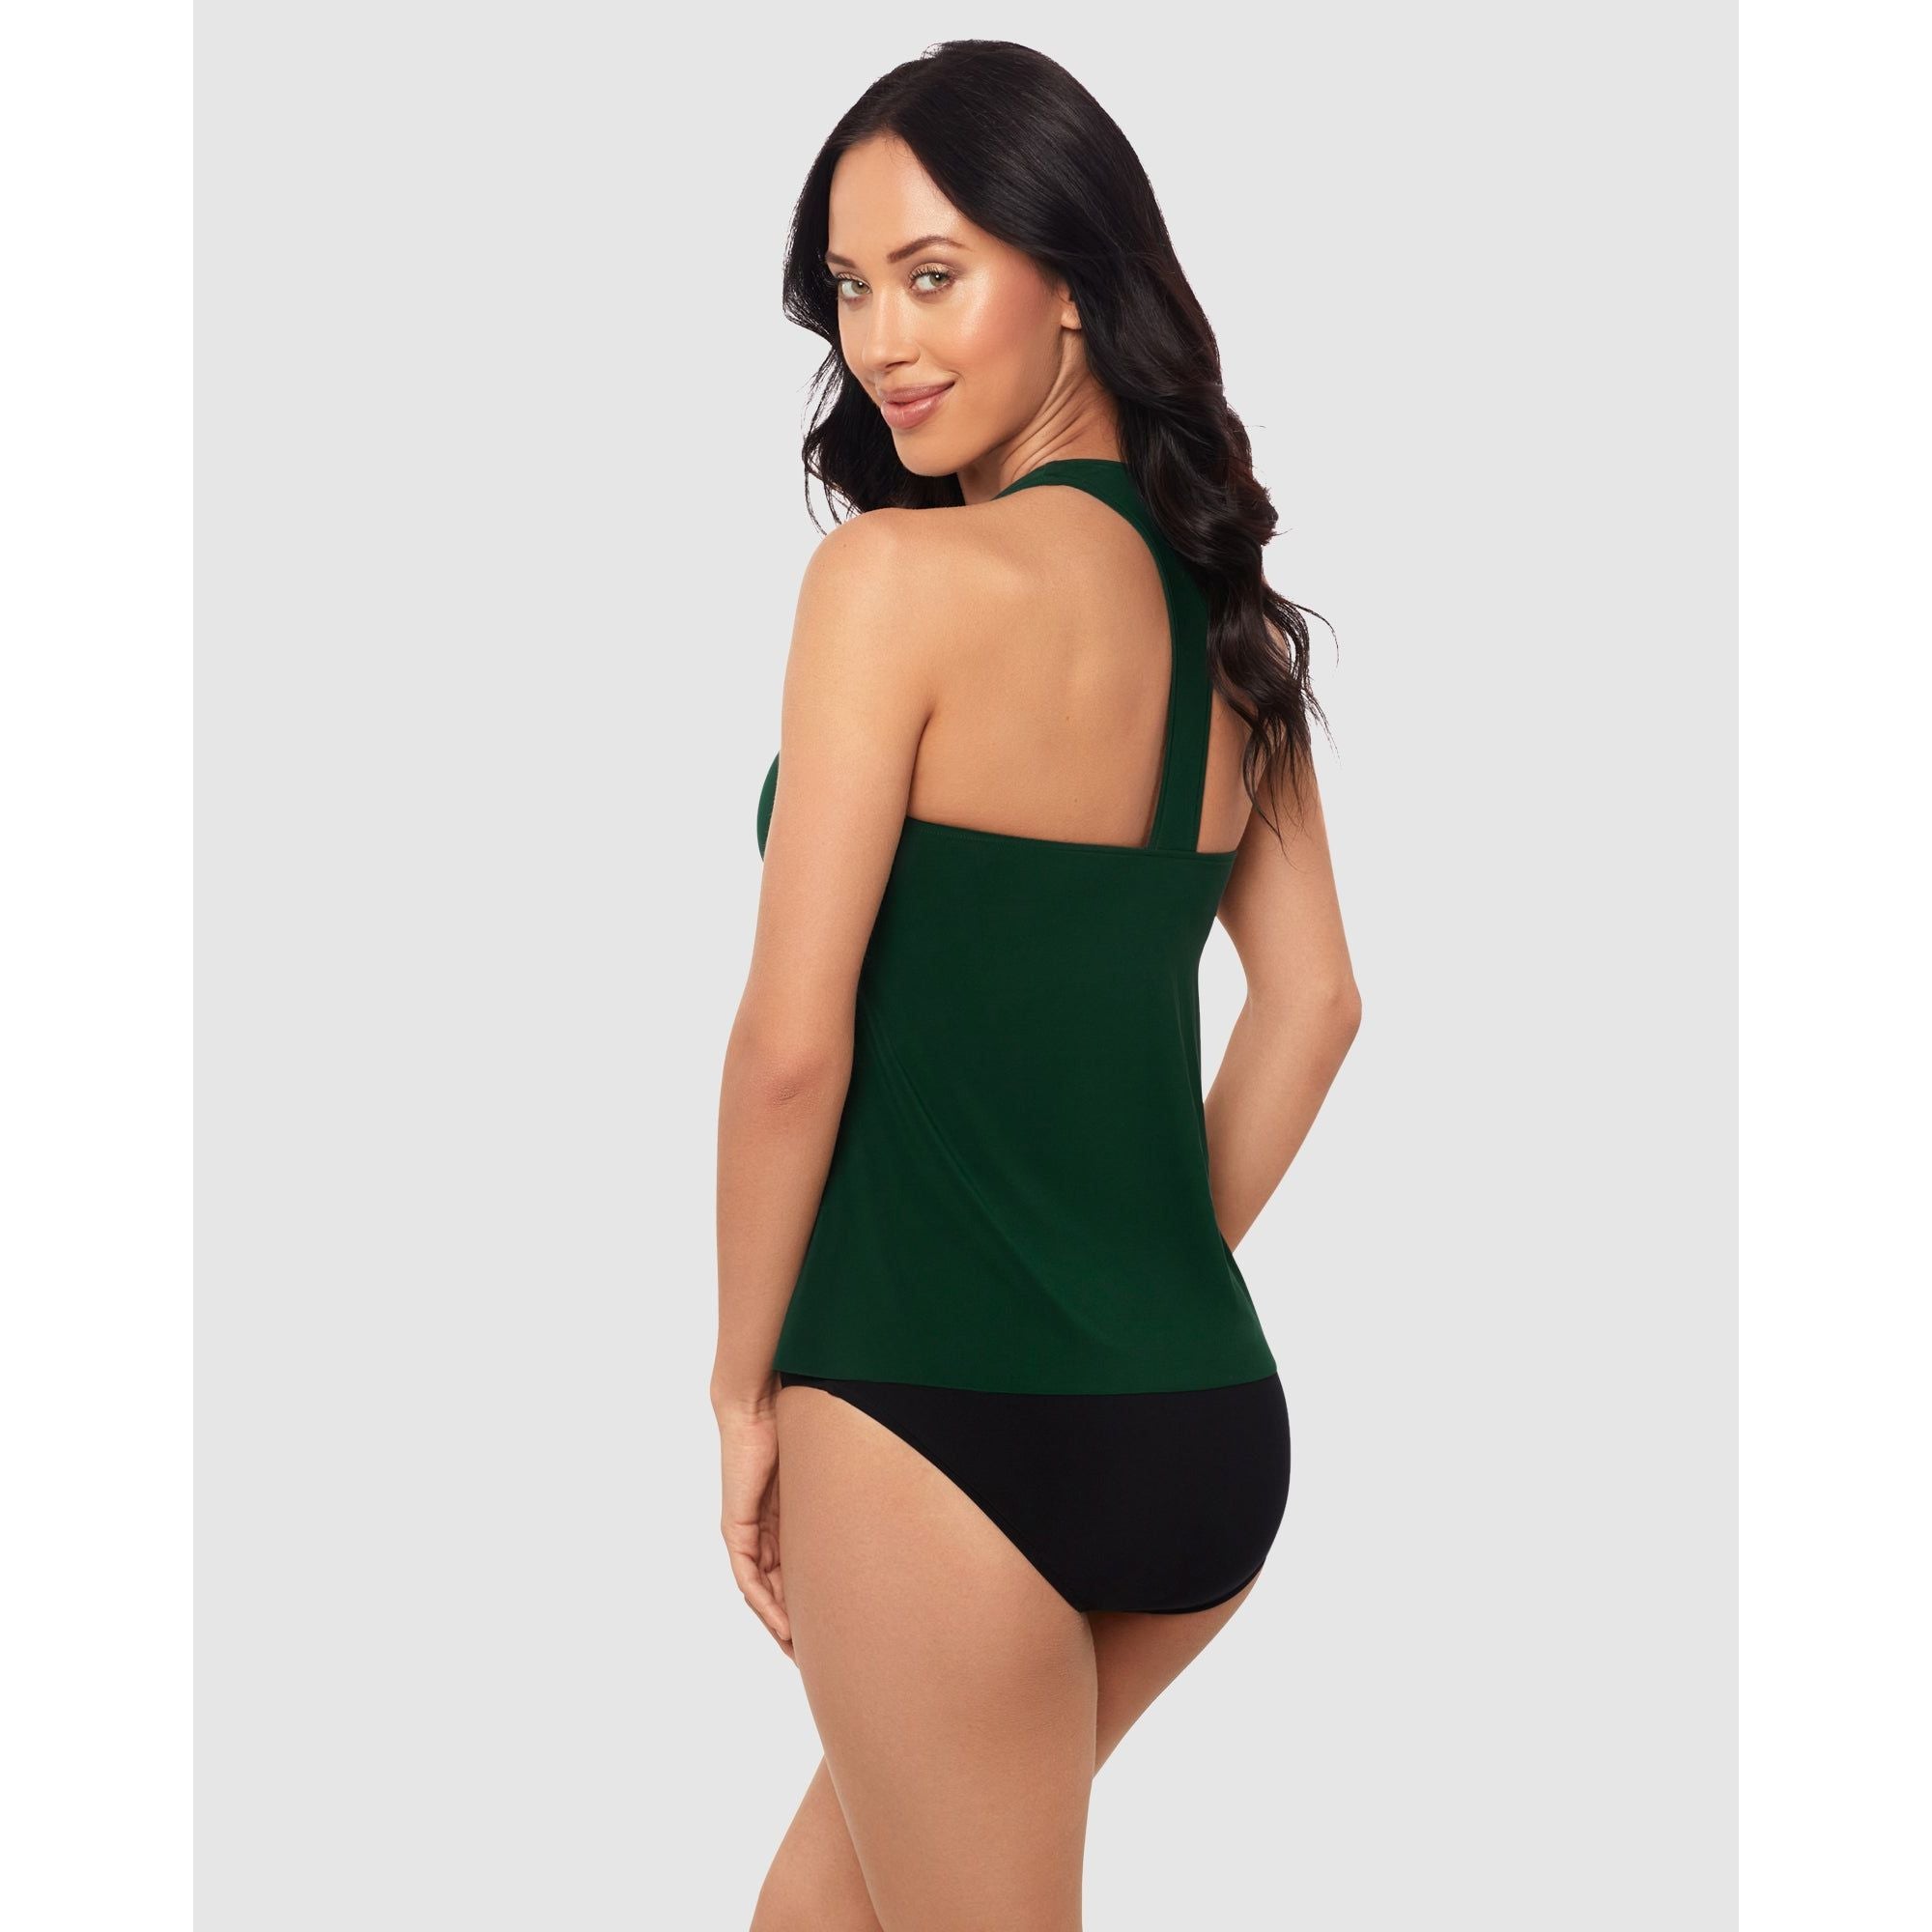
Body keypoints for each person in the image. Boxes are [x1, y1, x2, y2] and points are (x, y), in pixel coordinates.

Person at [712, 41, 1361, 1931]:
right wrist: (1124, 1269)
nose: (882, 339)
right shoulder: (1221, 616)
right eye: (850, 288)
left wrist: (741, 1390)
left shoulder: (891, 588)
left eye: (935, 274)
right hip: (1193, 1414)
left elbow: (789, 1049)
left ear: (1070, 277)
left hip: (922, 1402)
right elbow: (1315, 1003)